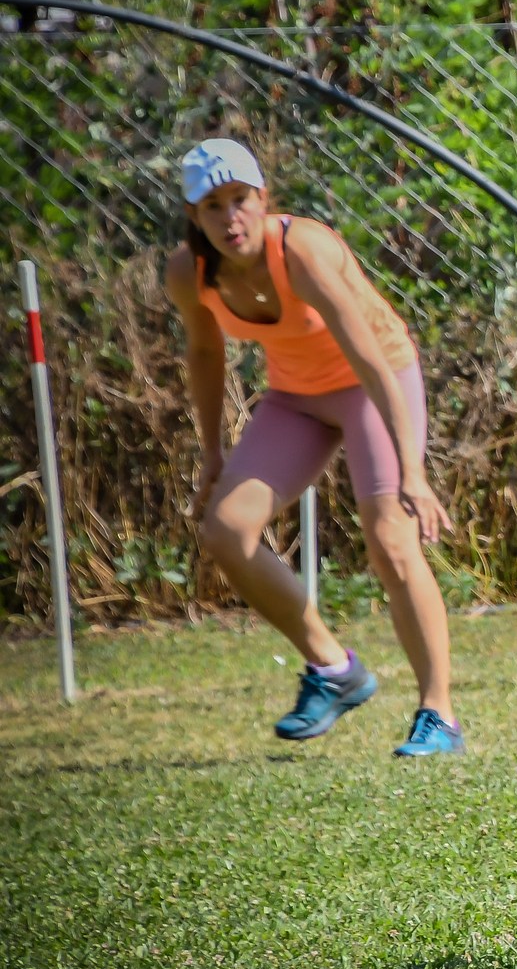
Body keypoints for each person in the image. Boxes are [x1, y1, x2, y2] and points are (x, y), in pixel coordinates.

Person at [164, 137, 464, 757]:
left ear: (263, 198)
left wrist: (412, 471)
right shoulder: (188, 272)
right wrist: (214, 454)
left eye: (240, 199)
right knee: (225, 529)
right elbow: (205, 352)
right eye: (213, 206)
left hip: (373, 384)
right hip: (297, 397)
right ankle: (333, 668)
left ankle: (439, 715)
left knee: (391, 539)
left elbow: (369, 356)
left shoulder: (303, 249)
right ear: (194, 215)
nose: (230, 218)